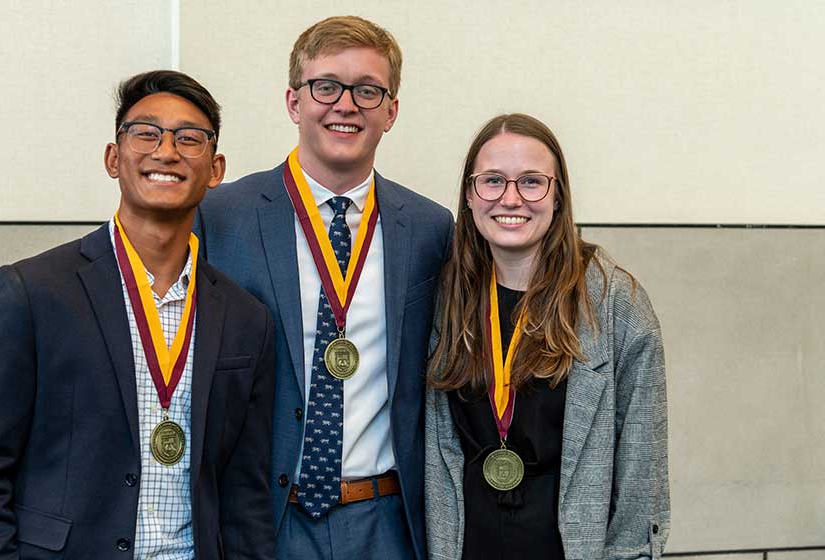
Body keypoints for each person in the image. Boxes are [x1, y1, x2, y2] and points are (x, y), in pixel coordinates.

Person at [0, 70, 276, 560]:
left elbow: (246, 494)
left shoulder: (246, 318)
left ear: (215, 169)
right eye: (146, 133)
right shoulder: (33, 293)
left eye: (190, 139)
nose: (166, 151)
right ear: (113, 158)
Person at [196, 15, 453, 560]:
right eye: (326, 86)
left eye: (368, 90)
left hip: (388, 520)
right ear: (294, 102)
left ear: (391, 111)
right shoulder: (220, 219)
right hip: (265, 520)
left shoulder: (430, 229)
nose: (346, 104)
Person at [424, 114, 670, 559]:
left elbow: (641, 485)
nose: (511, 198)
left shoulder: (616, 306)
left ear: (558, 196)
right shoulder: (443, 297)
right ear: (469, 195)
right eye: (492, 181)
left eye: (532, 182)